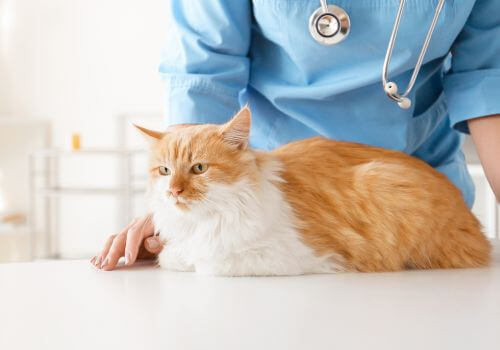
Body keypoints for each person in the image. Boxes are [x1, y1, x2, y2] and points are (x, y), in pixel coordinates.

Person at [91, 0, 500, 271]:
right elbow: (202, 71)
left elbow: (489, 82)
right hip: (268, 195)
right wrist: (183, 223)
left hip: (414, 209)